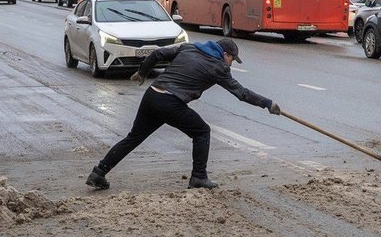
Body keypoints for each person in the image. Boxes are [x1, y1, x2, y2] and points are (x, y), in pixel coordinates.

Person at [85, 38, 280, 191]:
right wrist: (268, 104)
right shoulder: (218, 67)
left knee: (133, 137)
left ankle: (98, 173)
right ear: (225, 54)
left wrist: (142, 73)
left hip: (152, 94)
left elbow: (158, 53)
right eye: (232, 59)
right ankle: (199, 177)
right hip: (170, 101)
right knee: (202, 131)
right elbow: (242, 93)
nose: (231, 64)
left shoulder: (189, 48)